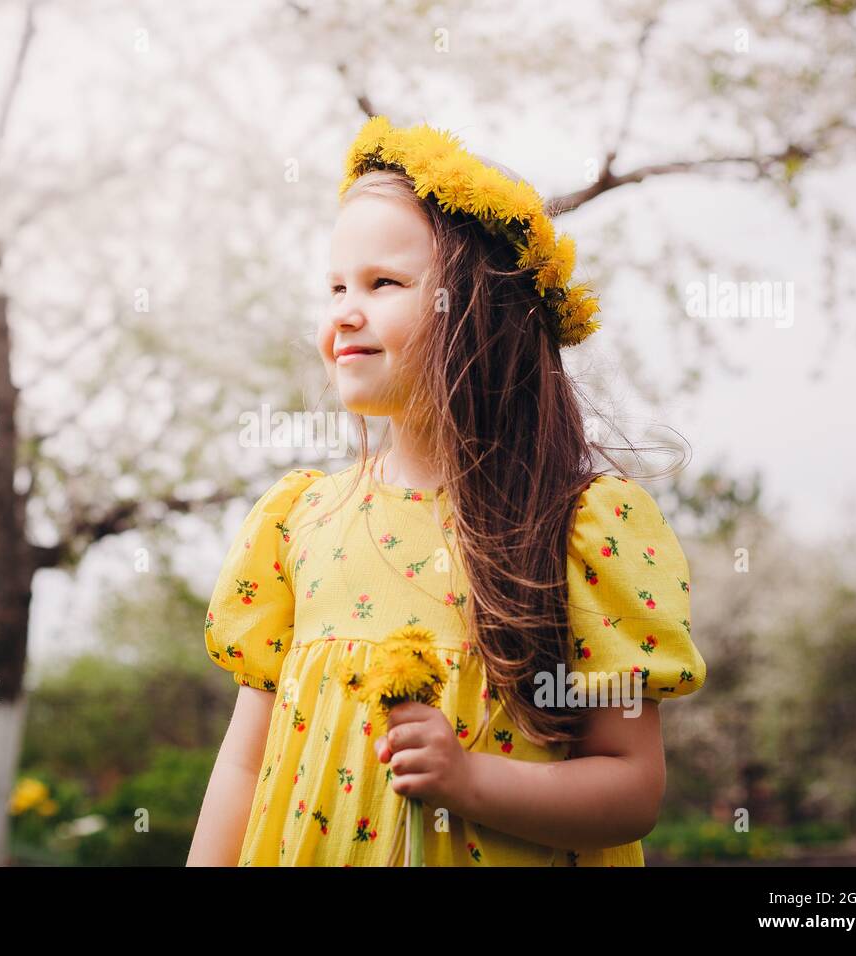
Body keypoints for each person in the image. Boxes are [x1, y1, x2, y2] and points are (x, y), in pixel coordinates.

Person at [187, 116, 706, 866]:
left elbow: (631, 789)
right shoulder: (299, 521)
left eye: (383, 284)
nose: (344, 311)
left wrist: (470, 779)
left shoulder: (576, 526)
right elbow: (242, 766)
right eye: (335, 286)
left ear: (480, 311)